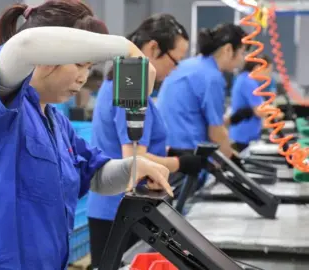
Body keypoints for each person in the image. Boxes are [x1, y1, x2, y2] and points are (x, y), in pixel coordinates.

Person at [0, 1, 173, 269]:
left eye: (89, 68)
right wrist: (126, 48)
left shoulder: (56, 123)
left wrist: (133, 167)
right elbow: (25, 46)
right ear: (48, 58)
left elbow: (94, 175)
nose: (83, 77)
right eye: (80, 64)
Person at [86, 14, 201, 269]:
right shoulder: (130, 90)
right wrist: (179, 163)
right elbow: (134, 160)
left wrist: (170, 152)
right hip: (121, 210)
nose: (175, 69)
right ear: (152, 48)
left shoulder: (117, 84)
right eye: (175, 60)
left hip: (114, 207)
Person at [156, 24, 248, 159]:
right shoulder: (212, 77)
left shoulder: (192, 65)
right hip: (186, 159)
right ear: (228, 49)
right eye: (242, 52)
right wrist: (233, 160)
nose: (243, 59)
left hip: (166, 151)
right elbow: (216, 133)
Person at [228, 54, 281, 152]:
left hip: (242, 134)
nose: (268, 76)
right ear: (258, 68)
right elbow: (259, 111)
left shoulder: (244, 78)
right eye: (267, 71)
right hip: (243, 136)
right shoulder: (249, 83)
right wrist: (276, 112)